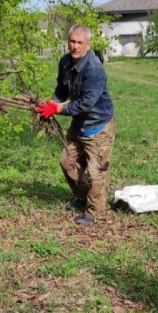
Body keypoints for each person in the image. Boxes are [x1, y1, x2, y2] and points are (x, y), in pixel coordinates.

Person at [36, 25, 116, 227]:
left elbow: (85, 103)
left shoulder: (94, 69)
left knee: (97, 172)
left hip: (98, 126)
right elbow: (61, 90)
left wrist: (56, 109)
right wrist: (51, 102)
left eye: (80, 43)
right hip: (78, 124)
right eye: (72, 41)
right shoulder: (65, 63)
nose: (75, 46)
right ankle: (82, 196)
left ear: (88, 45)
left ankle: (94, 212)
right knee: (67, 162)